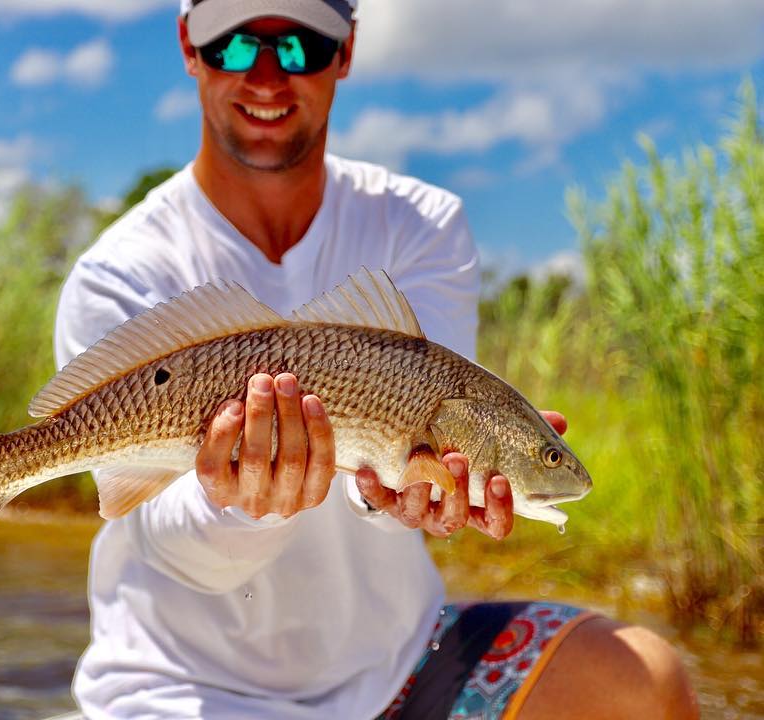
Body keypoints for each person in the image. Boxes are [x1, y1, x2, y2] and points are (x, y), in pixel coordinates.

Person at [53, 1, 698, 717]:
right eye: (234, 46)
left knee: (646, 678)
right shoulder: (118, 272)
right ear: (188, 45)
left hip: (401, 670)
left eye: (302, 47)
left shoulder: (422, 224)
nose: (268, 74)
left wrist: (397, 497)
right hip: (176, 692)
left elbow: (411, 490)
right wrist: (240, 503)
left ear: (347, 49)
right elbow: (160, 544)